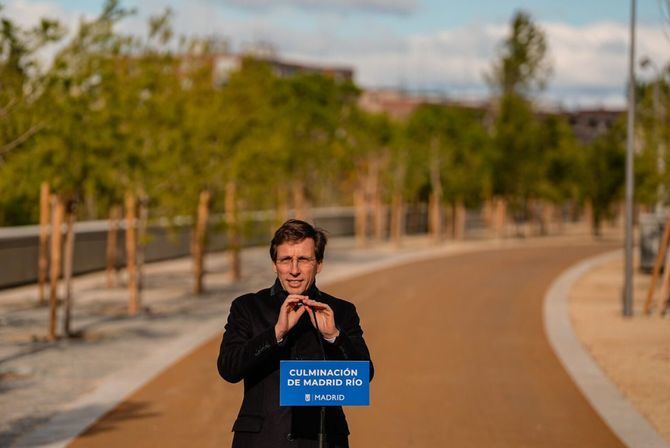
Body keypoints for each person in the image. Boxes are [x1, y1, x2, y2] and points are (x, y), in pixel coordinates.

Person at [217, 219, 374, 448]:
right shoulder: (247, 307)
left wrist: (334, 336)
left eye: (303, 259)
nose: (294, 270)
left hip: (323, 440)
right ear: (274, 264)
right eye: (285, 260)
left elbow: (363, 377)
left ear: (318, 263)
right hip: (261, 441)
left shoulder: (341, 311)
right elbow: (229, 369)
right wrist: (276, 333)